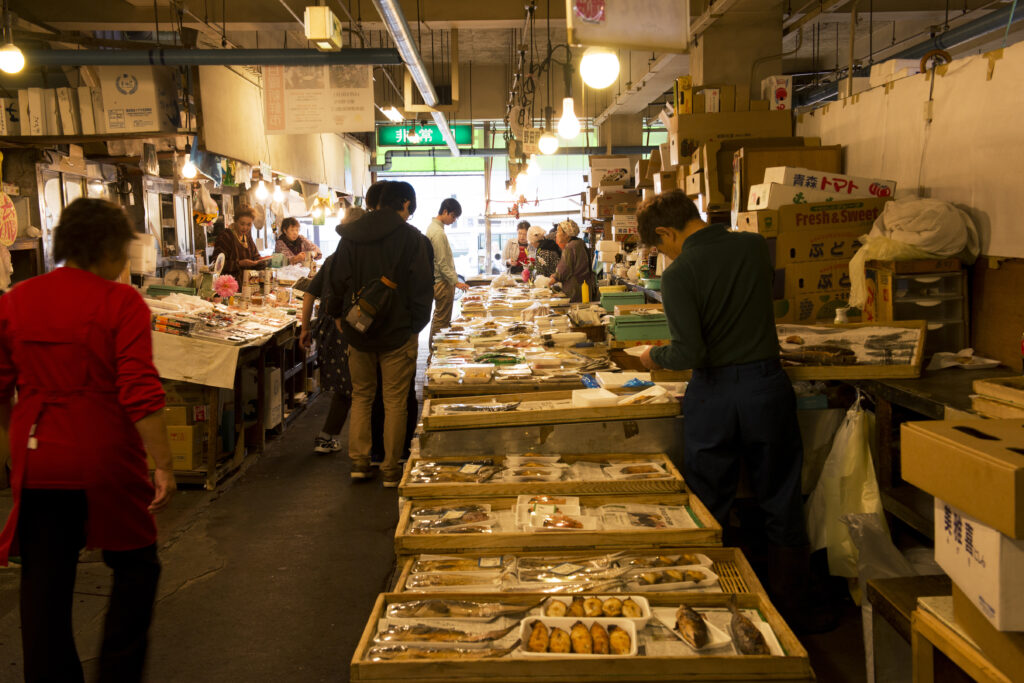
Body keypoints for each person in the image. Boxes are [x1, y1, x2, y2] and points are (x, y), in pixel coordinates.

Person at [636, 190, 830, 633]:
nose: (662, 253)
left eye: (659, 244)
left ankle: (714, 604)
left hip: (717, 394)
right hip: (767, 387)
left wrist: (654, 357)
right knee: (781, 497)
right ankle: (790, 612)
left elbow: (691, 350)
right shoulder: (752, 246)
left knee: (711, 501)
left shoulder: (680, 273)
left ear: (667, 231)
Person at [0, 198, 176, 682]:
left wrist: (13, 460)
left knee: (44, 583)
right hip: (104, 456)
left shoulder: (15, 299)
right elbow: (139, 389)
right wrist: (163, 462)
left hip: (38, 457)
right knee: (137, 567)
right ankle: (118, 674)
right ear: (107, 248)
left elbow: (0, 390)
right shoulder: (120, 302)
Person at [327, 181, 433, 486]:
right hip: (398, 332)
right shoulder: (412, 239)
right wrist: (415, 326)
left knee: (362, 396)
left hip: (358, 330)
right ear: (405, 205)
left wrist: (338, 316)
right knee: (395, 400)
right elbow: (422, 288)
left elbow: (336, 279)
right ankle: (390, 469)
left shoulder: (351, 236)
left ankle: (359, 463)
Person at [299, 208, 367, 454]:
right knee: (356, 387)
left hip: (327, 329)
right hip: (349, 328)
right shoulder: (360, 261)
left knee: (345, 386)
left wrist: (305, 328)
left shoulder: (331, 260)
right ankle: (360, 447)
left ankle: (327, 436)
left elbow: (309, 294)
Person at [427, 198, 470, 341]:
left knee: (439, 318)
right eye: (453, 216)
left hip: (440, 281)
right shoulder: (438, 233)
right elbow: (442, 263)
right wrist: (455, 281)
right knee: (442, 321)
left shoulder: (434, 228)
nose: (454, 220)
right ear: (445, 212)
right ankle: (435, 354)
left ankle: (434, 353)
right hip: (442, 282)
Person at [212, 207, 267, 284]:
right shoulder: (225, 236)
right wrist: (240, 263)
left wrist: (262, 262)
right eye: (242, 224)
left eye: (249, 224)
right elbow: (216, 264)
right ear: (235, 221)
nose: (245, 228)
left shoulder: (247, 237)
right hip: (229, 286)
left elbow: (256, 256)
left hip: (248, 285)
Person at [549, 219, 597, 302]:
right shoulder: (580, 243)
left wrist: (553, 278)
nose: (556, 234)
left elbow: (563, 272)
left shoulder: (570, 247)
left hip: (575, 290)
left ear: (566, 235)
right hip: (584, 287)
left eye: (558, 231)